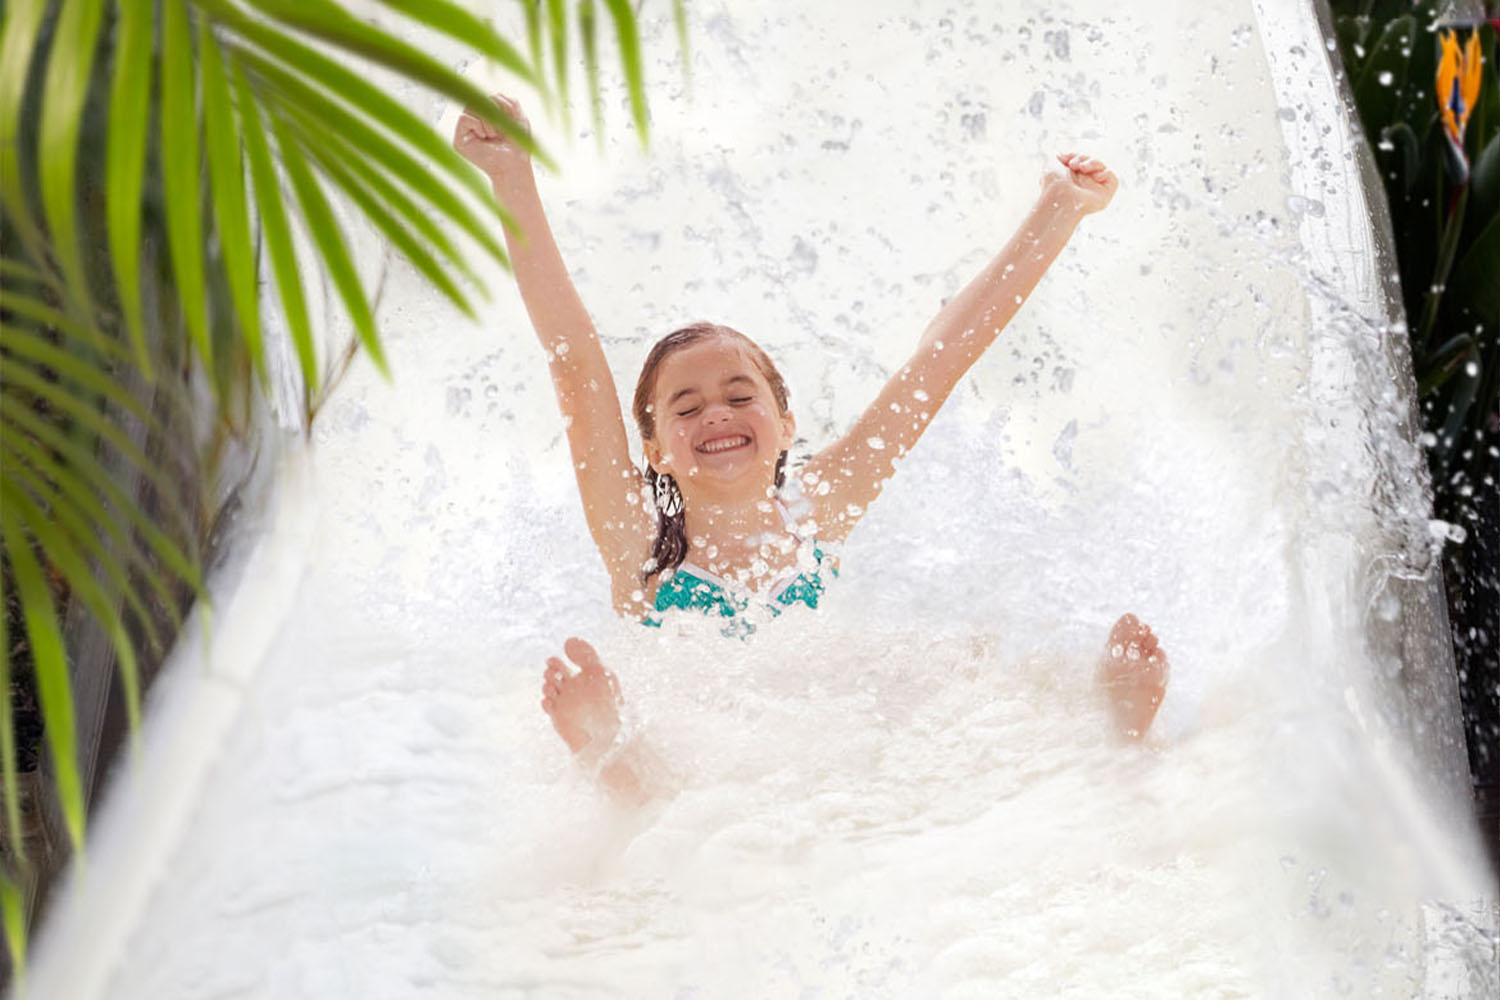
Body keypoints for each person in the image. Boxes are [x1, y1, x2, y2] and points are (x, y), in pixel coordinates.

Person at [453, 96, 1168, 800]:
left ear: (785, 423)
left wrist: (1060, 208)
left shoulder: (817, 505)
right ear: (656, 449)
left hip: (809, 741)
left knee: (964, 678)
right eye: (687, 406)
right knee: (660, 781)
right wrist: (510, 174)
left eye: (740, 395)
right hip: (700, 758)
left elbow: (941, 358)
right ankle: (607, 742)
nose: (717, 415)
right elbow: (574, 365)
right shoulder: (637, 542)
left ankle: (1109, 730)